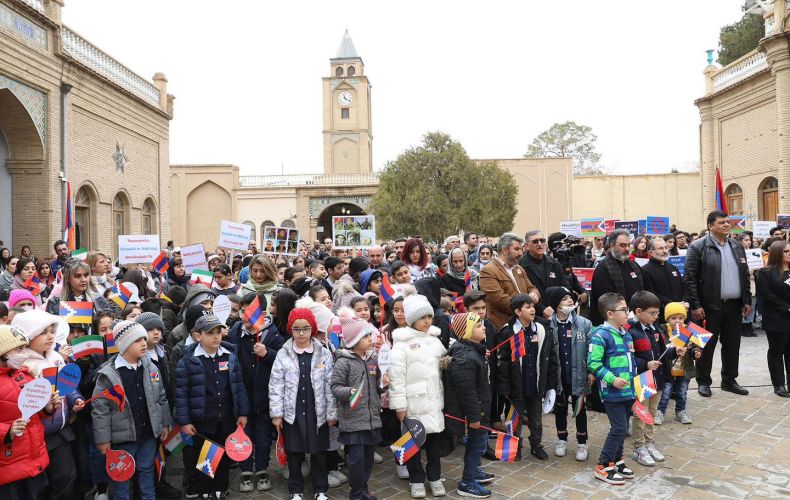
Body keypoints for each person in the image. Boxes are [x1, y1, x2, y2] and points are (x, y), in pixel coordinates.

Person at [92, 320, 172, 500]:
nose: (144, 343)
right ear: (124, 344)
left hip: (147, 434)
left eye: (144, 339)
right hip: (122, 439)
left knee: (147, 471)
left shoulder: (150, 367)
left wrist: (164, 423)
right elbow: (100, 411)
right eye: (137, 340)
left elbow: (160, 397)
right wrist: (103, 439)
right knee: (121, 480)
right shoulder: (108, 375)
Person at [175, 315, 249, 498]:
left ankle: (220, 489)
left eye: (218, 332)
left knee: (224, 456)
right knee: (206, 457)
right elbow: (181, 393)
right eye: (210, 333)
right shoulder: (188, 360)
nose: (216, 336)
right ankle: (206, 490)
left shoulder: (230, 356)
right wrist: (184, 421)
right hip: (203, 421)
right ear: (198, 336)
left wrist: (242, 412)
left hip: (227, 418)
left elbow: (239, 386)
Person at [269, 308, 336, 500]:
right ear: (290, 329)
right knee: (295, 453)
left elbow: (329, 385)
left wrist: (331, 413)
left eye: (305, 329)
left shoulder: (323, 353)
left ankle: (320, 489)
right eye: (296, 329)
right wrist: (277, 414)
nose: (301, 333)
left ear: (312, 329)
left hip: (318, 412)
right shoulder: (283, 354)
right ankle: (296, 490)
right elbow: (275, 384)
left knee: (318, 453)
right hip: (293, 412)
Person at [683, 211, 751, 397]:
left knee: (732, 344)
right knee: (704, 345)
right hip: (708, 306)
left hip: (734, 305)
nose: (727, 225)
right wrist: (696, 305)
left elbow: (744, 275)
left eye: (728, 222)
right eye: (722, 222)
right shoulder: (698, 247)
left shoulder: (737, 246)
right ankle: (703, 381)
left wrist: (747, 300)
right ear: (710, 226)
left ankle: (729, 380)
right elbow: (689, 279)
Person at [389, 293, 447, 499]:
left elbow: (442, 362)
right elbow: (396, 377)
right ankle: (416, 479)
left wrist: (449, 360)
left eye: (429, 317)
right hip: (413, 403)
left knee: (434, 445)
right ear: (413, 319)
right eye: (423, 318)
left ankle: (435, 477)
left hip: (433, 402)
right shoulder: (401, 344)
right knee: (413, 445)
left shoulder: (434, 340)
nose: (427, 321)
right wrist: (399, 405)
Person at [227, 292, 284, 492]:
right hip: (242, 396)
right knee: (244, 434)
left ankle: (261, 469)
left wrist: (267, 353)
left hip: (263, 397)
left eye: (249, 312)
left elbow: (283, 360)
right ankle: (245, 470)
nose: (244, 316)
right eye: (242, 311)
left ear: (262, 312)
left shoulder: (272, 333)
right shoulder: (235, 331)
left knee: (262, 436)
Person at [495, 294, 557, 461]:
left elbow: (550, 358)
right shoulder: (508, 332)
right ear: (517, 311)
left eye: (533, 306)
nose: (532, 309)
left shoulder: (542, 328)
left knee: (536, 421)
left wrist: (551, 384)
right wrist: (505, 388)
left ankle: (536, 445)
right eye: (528, 307)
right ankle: (515, 446)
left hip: (535, 385)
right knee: (513, 419)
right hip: (516, 387)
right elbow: (503, 364)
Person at [330, 309, 384, 500]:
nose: (371, 339)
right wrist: (349, 392)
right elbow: (335, 387)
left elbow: (377, 386)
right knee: (356, 460)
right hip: (353, 421)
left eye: (370, 334)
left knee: (368, 459)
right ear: (353, 340)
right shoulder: (343, 362)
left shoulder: (373, 360)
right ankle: (356, 492)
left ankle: (364, 488)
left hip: (371, 420)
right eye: (366, 336)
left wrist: (383, 384)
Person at [443, 312, 496, 498]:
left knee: (479, 444)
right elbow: (467, 393)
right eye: (478, 325)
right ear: (466, 332)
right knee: (478, 445)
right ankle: (467, 483)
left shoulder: (472, 350)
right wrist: (474, 417)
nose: (483, 327)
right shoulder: (465, 358)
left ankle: (473, 472)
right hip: (475, 412)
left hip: (480, 408)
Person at [0, 325, 56, 500]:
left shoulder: (26, 374)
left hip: (36, 461)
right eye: (18, 349)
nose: (24, 353)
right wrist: (7, 431)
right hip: (9, 468)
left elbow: (36, 415)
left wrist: (48, 408)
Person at [588, 292, 636, 485]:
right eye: (623, 310)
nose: (627, 313)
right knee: (618, 429)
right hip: (612, 393)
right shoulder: (600, 335)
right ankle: (602, 466)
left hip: (628, 392)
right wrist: (612, 379)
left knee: (622, 428)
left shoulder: (626, 334)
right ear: (610, 314)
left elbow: (631, 363)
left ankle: (617, 461)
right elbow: (593, 363)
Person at [544, 286, 592, 462]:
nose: (570, 301)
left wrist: (591, 371)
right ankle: (562, 439)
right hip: (558, 377)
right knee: (561, 409)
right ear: (556, 305)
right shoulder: (549, 325)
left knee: (579, 410)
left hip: (579, 375)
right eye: (565, 299)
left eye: (571, 298)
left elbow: (591, 351)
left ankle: (582, 442)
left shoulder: (584, 324)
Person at [627, 291, 666, 467]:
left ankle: (649, 442)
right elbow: (628, 358)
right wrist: (645, 364)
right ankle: (638, 447)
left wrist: (675, 351)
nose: (656, 317)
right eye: (652, 313)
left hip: (656, 378)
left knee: (651, 412)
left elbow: (662, 351)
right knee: (641, 414)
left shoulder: (654, 328)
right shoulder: (629, 332)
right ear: (638, 311)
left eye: (657, 313)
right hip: (642, 379)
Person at [479, 233, 539, 330]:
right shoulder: (488, 271)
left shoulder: (518, 268)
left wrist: (535, 294)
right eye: (516, 249)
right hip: (504, 327)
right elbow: (498, 299)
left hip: (524, 323)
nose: (521, 253)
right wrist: (524, 309)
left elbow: (531, 287)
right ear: (505, 250)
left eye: (521, 249)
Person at [655, 303, 700, 425]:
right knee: (665, 393)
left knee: (682, 392)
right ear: (667, 319)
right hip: (667, 369)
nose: (677, 321)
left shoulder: (690, 331)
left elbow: (695, 348)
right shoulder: (662, 331)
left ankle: (680, 412)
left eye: (680, 318)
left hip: (684, 369)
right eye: (673, 318)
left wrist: (695, 353)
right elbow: (659, 348)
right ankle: (659, 412)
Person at [755, 240, 790, 397]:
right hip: (776, 318)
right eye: (786, 251)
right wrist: (786, 307)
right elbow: (766, 295)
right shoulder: (766, 272)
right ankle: (779, 384)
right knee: (777, 351)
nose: (789, 254)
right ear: (777, 253)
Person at [589, 229, 644, 325]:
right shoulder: (603, 268)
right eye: (623, 245)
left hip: (635, 318)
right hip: (612, 323)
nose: (627, 248)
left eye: (628, 245)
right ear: (612, 246)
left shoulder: (633, 265)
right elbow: (607, 300)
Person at [519, 230, 569, 319]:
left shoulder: (554, 263)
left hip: (556, 314)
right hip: (532, 315)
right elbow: (522, 293)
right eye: (535, 241)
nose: (540, 244)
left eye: (542, 240)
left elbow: (564, 286)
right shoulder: (520, 266)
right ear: (526, 245)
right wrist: (542, 309)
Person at [641, 237, 684, 323]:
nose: (665, 251)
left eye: (665, 247)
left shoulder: (673, 268)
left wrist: (684, 302)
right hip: (660, 317)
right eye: (661, 248)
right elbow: (650, 293)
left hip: (679, 315)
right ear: (651, 252)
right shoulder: (645, 270)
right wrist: (672, 305)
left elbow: (683, 287)